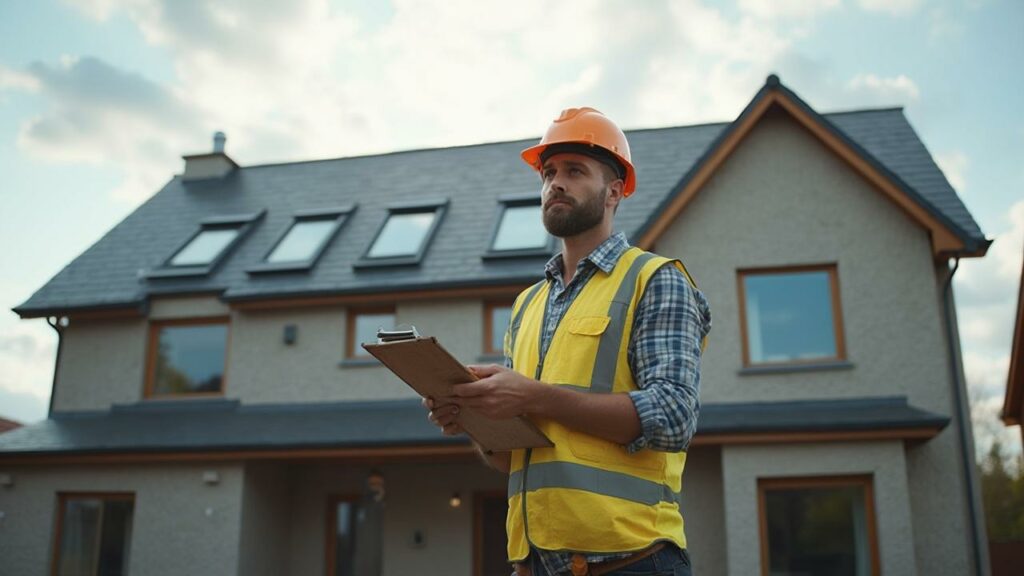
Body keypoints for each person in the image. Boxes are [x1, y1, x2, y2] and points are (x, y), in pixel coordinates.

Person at [425, 107, 711, 576]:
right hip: (534, 565)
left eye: (575, 171)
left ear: (614, 192)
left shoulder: (654, 279)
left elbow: (674, 416)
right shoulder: (527, 305)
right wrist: (475, 419)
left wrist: (535, 395)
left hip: (631, 561)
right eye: (549, 172)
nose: (555, 183)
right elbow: (516, 456)